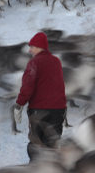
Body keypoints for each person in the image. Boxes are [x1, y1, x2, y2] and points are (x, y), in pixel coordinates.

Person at [14, 32, 67, 160]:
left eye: (32, 47)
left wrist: (19, 104)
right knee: (53, 145)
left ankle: (36, 172)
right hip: (58, 111)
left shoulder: (34, 63)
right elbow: (61, 85)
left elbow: (27, 86)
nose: (30, 50)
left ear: (39, 46)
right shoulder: (56, 61)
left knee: (37, 146)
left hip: (40, 111)